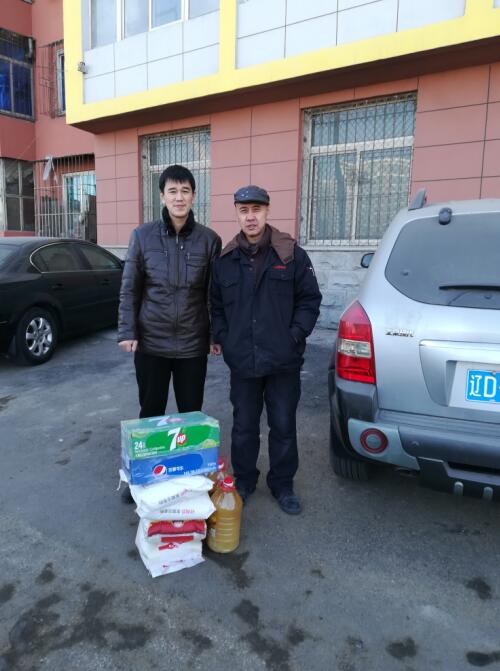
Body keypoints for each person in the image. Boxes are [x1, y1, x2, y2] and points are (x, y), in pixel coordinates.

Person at [210, 185, 322, 515]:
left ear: (267, 211)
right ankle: (244, 481)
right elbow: (216, 306)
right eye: (244, 210)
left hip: (283, 361)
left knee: (283, 425)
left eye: (256, 209)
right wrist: (226, 339)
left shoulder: (291, 254)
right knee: (244, 427)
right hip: (243, 361)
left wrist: (294, 337)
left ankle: (282, 485)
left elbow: (309, 300)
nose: (251, 217)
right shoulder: (225, 261)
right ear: (237, 213)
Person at [118, 164, 222, 420]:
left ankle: (187, 448)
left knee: (192, 413)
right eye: (172, 191)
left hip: (192, 344)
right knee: (151, 412)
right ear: (162, 196)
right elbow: (130, 289)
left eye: (185, 191)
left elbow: (214, 294)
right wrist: (127, 331)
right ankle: (154, 449)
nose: (179, 197)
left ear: (193, 196)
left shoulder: (209, 240)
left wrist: (215, 335)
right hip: (152, 342)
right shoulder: (142, 236)